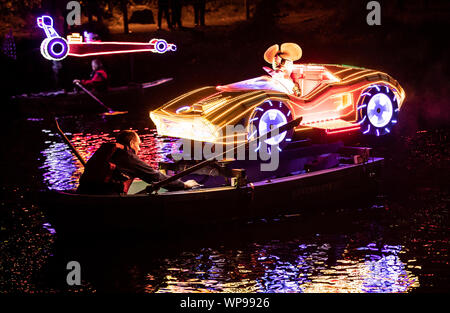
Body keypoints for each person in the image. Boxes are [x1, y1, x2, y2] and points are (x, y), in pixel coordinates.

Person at [77, 130, 199, 195]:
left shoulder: (108, 150)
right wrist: (183, 185)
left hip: (84, 192)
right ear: (131, 144)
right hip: (105, 199)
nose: (139, 149)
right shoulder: (128, 157)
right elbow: (156, 177)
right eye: (138, 145)